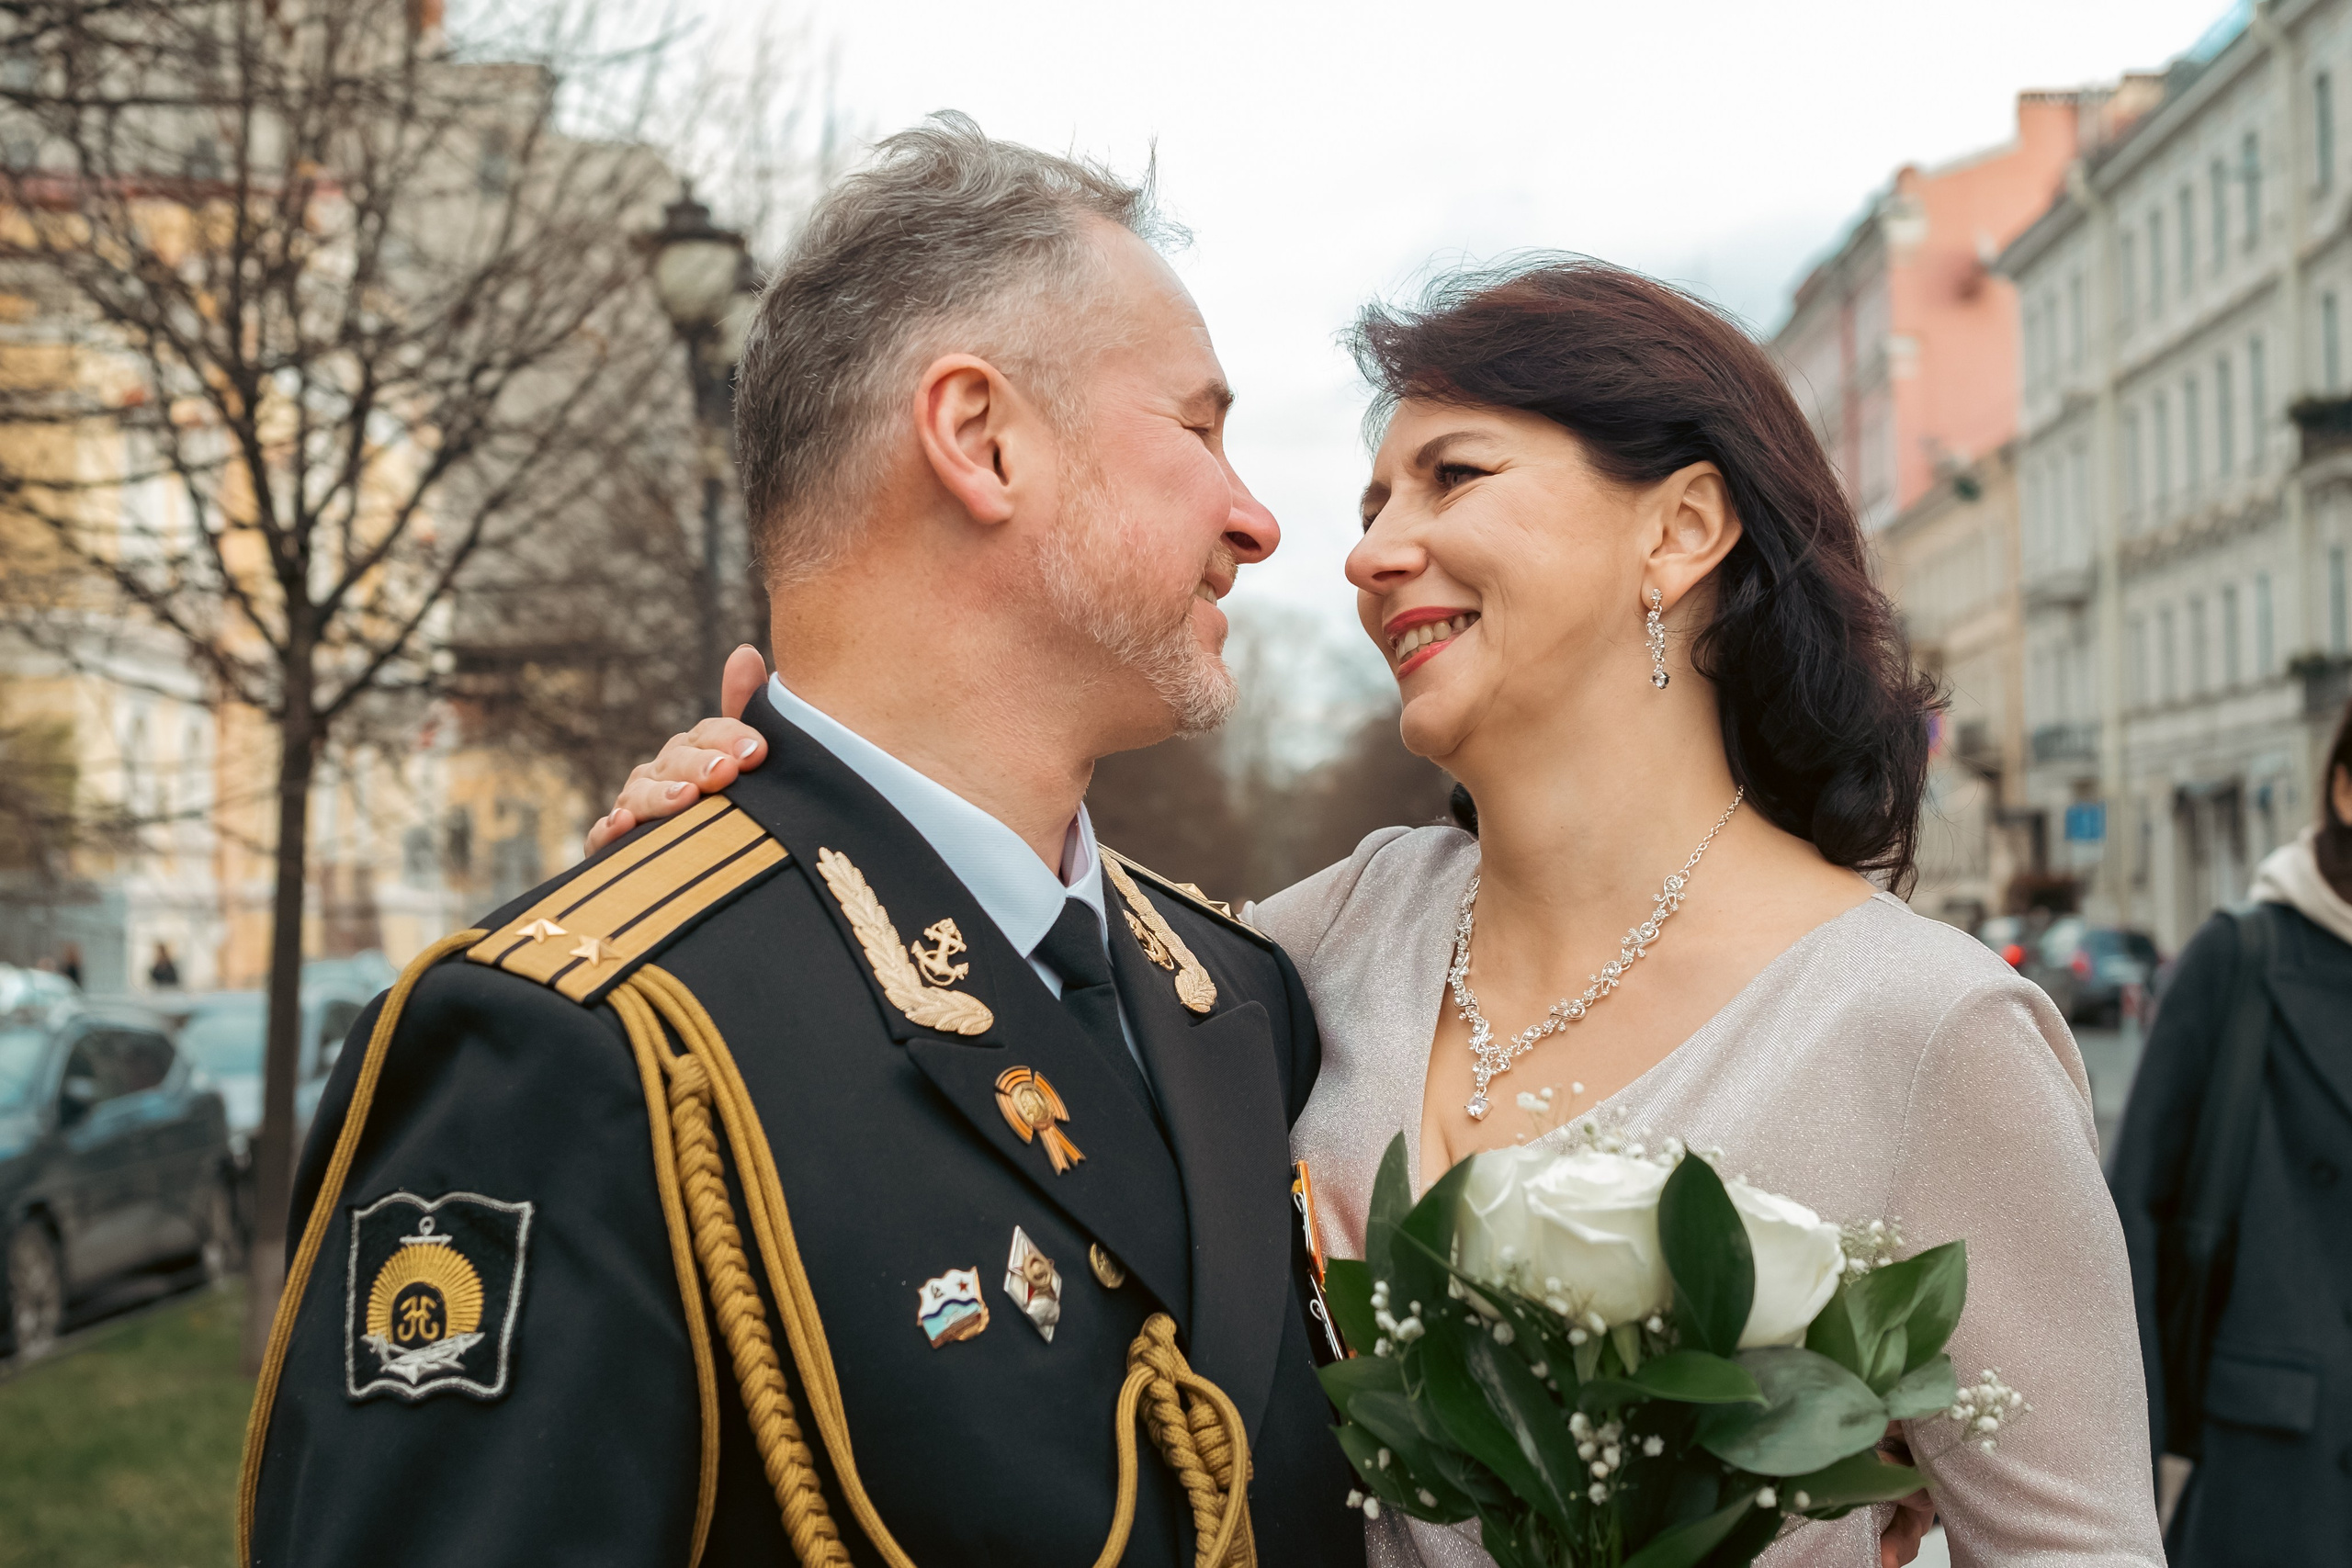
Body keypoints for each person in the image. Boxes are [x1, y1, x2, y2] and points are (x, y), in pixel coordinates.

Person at [616, 264, 2167, 1565]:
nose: (1365, 552)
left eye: (1454, 475)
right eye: (1370, 496)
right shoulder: (1304, 946)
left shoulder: (1927, 1031)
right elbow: (988, 982)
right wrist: (770, 801)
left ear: (1682, 531)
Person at [239, 117, 1359, 1567]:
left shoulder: (1239, 991)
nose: (1256, 516)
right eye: (1198, 427)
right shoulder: (585, 1046)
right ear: (979, 437)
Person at [2110, 698, 2352, 1564]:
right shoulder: (2241, 959)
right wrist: (2125, 1475)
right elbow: (2131, 1209)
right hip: (2278, 1462)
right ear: (2344, 791)